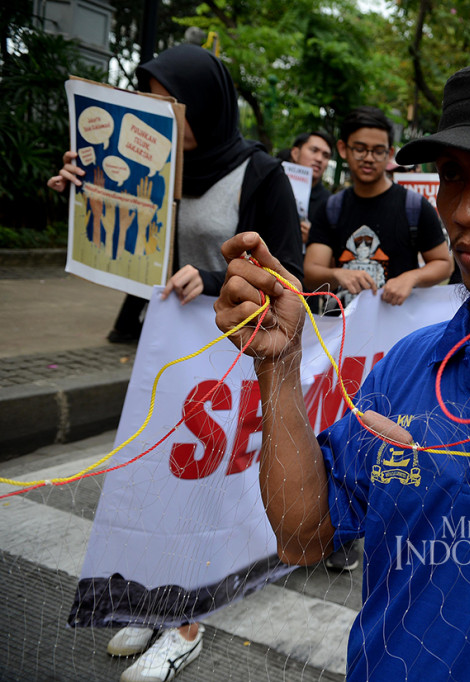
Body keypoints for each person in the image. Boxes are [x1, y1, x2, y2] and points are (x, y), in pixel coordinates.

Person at [214, 60, 470, 680]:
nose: (466, 212)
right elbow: (304, 537)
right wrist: (279, 367)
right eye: (453, 177)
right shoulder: (409, 364)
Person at [49, 43, 303, 682]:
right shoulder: (146, 166)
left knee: (207, 490)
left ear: (207, 106)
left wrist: (215, 278)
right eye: (151, 98)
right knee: (155, 477)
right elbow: (124, 246)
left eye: (171, 101)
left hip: (232, 358)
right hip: (164, 357)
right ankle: (153, 596)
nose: (157, 112)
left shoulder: (260, 174)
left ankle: (186, 624)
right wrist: (82, 194)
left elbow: (290, 277)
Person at [303, 106, 452, 307]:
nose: (369, 158)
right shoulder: (331, 209)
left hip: (398, 327)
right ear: (343, 149)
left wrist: (411, 278)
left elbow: (444, 264)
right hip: (342, 329)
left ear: (389, 153)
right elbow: (311, 272)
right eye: (360, 149)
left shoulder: (414, 207)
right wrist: (338, 275)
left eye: (378, 150)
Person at [288, 130, 334, 244]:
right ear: (295, 153)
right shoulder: (272, 188)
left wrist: (314, 238)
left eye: (325, 155)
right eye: (314, 150)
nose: (319, 159)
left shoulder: (330, 203)